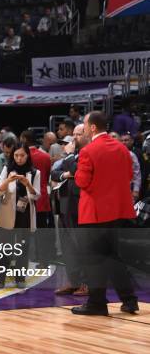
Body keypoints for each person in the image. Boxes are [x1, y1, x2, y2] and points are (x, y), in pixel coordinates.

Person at [72, 111, 138, 316]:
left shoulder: (88, 151)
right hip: (117, 211)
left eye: (84, 124)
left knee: (93, 259)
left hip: (94, 213)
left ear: (93, 127)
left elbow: (81, 182)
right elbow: (129, 175)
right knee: (113, 257)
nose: (82, 128)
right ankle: (129, 300)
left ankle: (97, 303)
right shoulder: (122, 148)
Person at [0, 143, 41, 288]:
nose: (19, 158)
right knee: (4, 248)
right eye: (16, 155)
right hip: (8, 213)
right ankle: (0, 279)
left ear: (27, 156)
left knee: (23, 247)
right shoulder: (8, 169)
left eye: (22, 155)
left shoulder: (35, 172)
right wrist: (8, 180)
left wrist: (28, 184)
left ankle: (20, 278)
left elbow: (37, 195)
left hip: (25, 214)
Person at [51, 124, 89, 296]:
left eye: (78, 134)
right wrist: (66, 174)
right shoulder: (73, 156)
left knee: (82, 245)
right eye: (73, 134)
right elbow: (54, 172)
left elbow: (77, 169)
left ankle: (87, 283)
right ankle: (73, 281)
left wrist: (68, 156)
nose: (74, 137)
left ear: (87, 134)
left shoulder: (87, 153)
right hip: (65, 204)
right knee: (68, 246)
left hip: (81, 204)